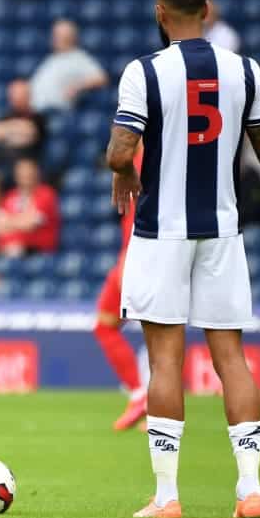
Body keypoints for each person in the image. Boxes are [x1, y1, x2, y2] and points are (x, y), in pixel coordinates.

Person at [107, 0, 260, 518]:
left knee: (165, 360)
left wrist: (124, 174)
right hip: (223, 231)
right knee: (231, 359)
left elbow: (120, 152)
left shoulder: (144, 71)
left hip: (162, 231)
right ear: (206, 9)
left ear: (160, 13)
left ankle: (167, 497)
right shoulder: (245, 70)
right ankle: (250, 490)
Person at [93, 146, 147, 431]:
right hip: (135, 251)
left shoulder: (145, 159)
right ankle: (141, 398)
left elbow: (143, 212)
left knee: (161, 333)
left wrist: (130, 255)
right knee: (105, 325)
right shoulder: (139, 158)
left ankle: (156, 407)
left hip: (142, 252)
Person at [29, 19, 108, 111]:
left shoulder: (79, 58)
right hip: (33, 109)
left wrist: (77, 87)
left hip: (54, 112)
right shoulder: (52, 58)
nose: (53, 38)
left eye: (58, 35)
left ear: (70, 37)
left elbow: (101, 78)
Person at [0, 158, 60, 256]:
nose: (25, 175)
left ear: (36, 173)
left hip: (38, 251)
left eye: (29, 172)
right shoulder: (10, 196)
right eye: (22, 172)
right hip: (7, 249)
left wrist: (9, 222)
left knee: (14, 251)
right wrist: (19, 221)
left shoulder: (46, 194)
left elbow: (30, 224)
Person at [0, 79, 46, 165]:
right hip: (1, 161)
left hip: (26, 161)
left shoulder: (37, 118)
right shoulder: (5, 116)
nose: (17, 98)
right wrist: (14, 131)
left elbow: (28, 134)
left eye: (21, 95)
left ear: (29, 96)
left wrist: (4, 132)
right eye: (14, 95)